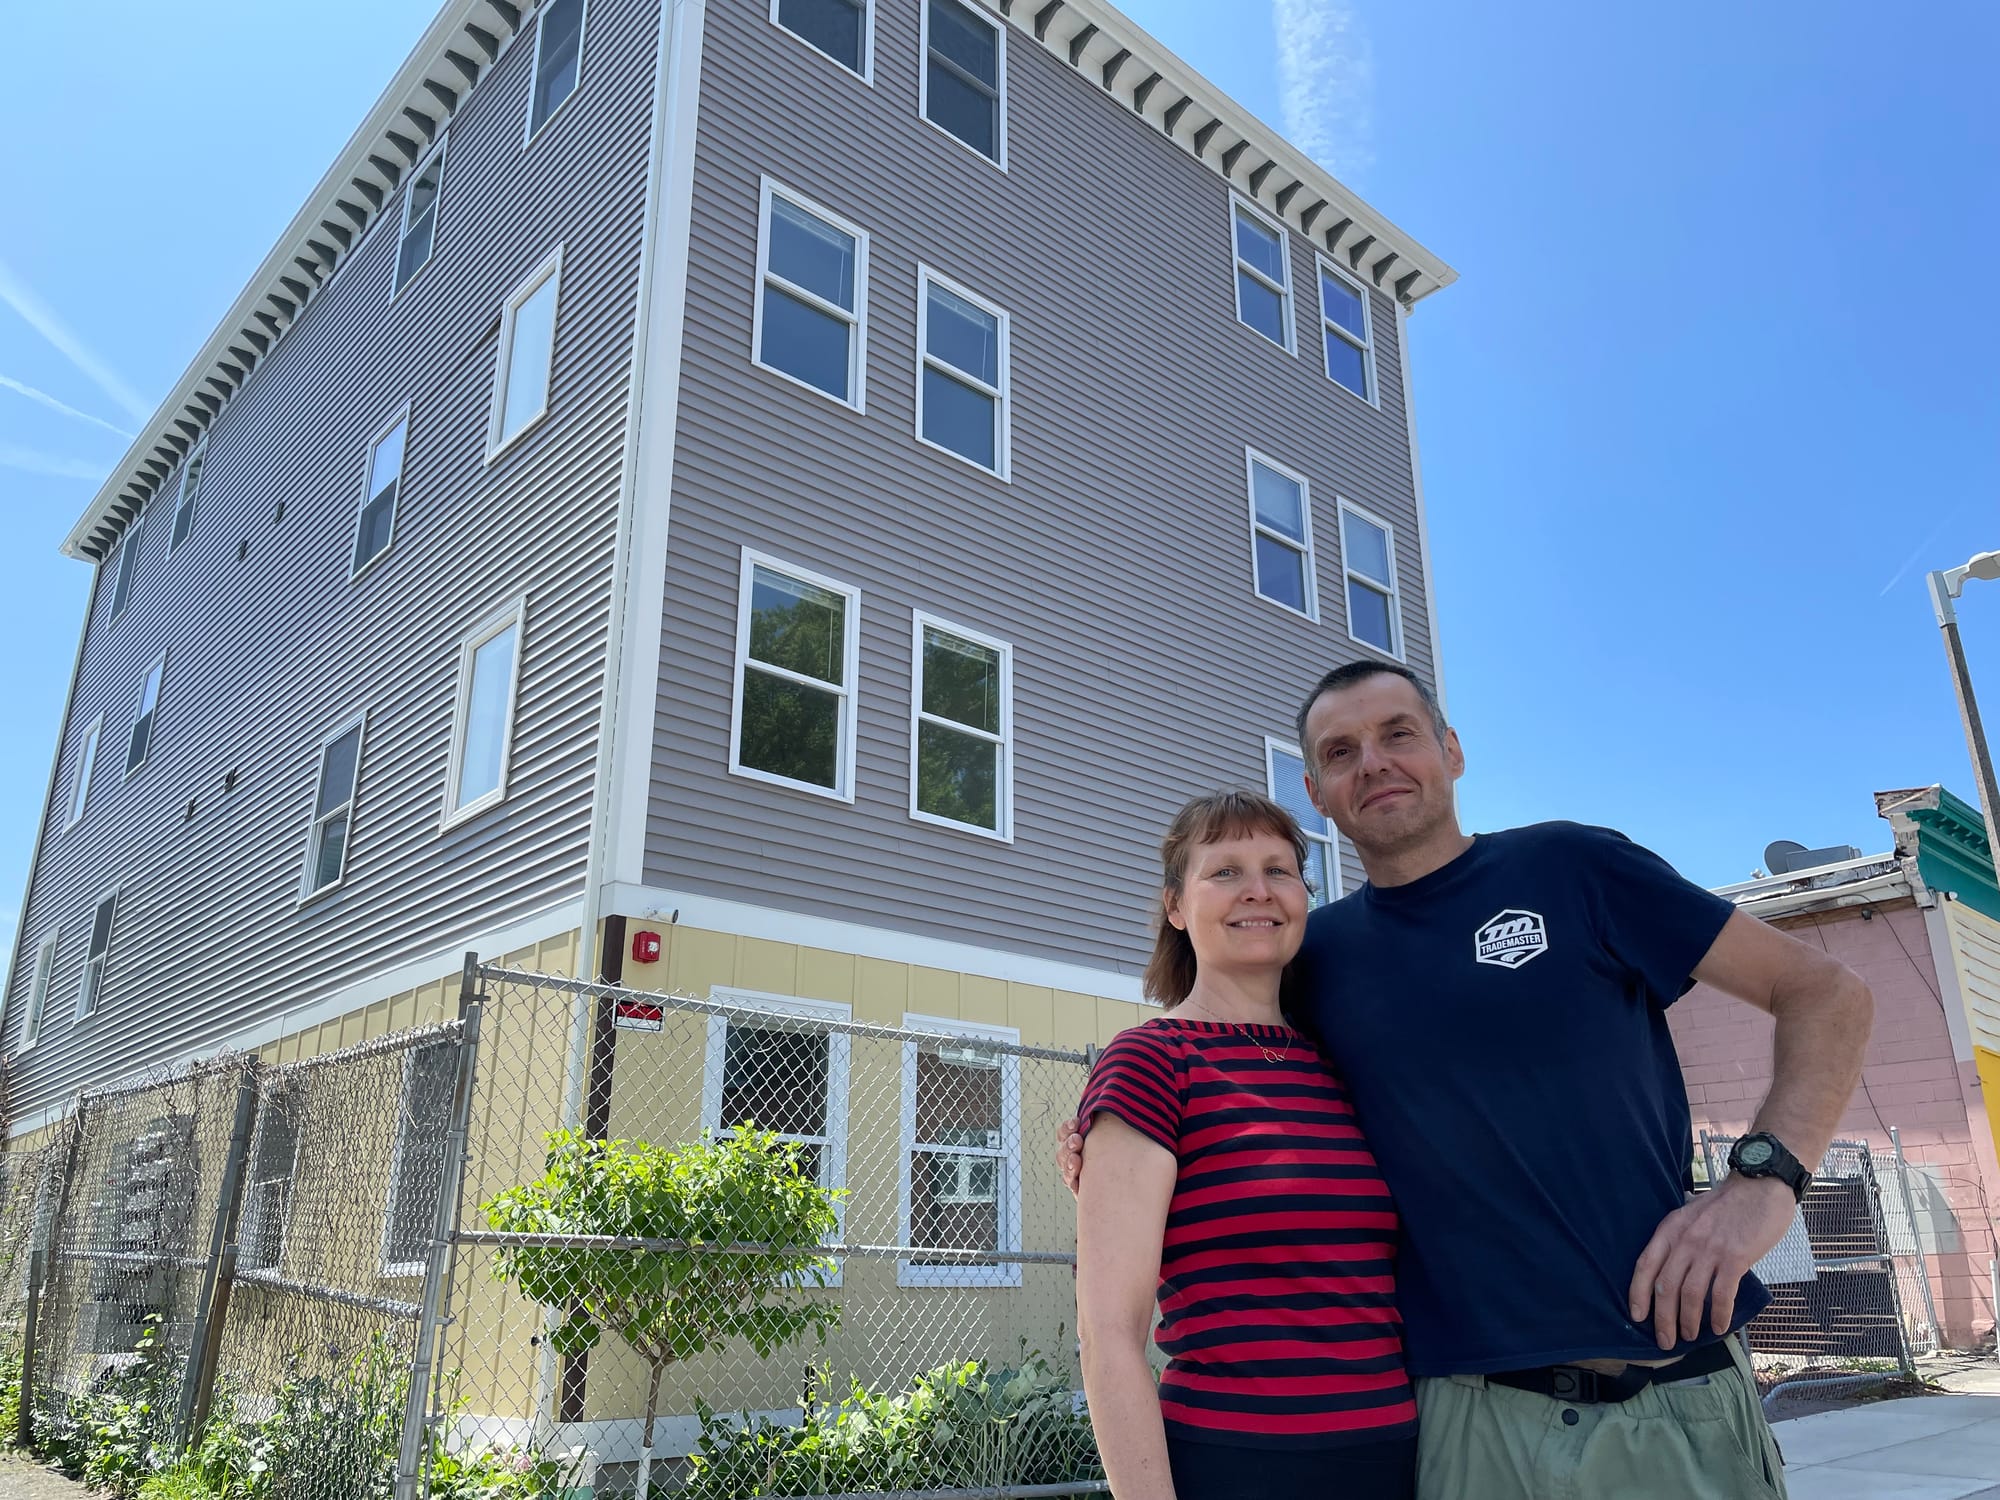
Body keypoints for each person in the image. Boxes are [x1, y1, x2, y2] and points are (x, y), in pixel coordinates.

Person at [1062, 660, 1873, 1500]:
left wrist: (1765, 1183)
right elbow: (1219, 1072)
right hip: (1459, 1424)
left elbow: (1826, 993)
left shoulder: (1575, 868)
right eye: (1343, 752)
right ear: (1318, 791)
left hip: (1668, 1394)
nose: (1373, 763)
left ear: (1451, 749)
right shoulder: (1317, 960)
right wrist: (1110, 1136)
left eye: (1399, 734)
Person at [1075, 790, 1418, 1500]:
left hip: (1398, 1459)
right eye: (1225, 871)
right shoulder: (1150, 1061)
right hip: (1236, 1463)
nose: (1257, 891)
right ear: (1176, 906)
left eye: (1279, 870)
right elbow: (1109, 1333)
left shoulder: (1346, 1064)